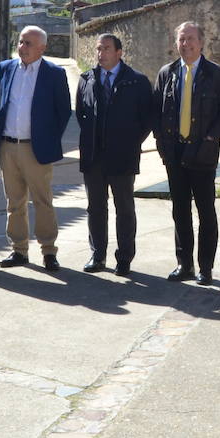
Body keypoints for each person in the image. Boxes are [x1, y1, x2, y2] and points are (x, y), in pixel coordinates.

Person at [153, 21, 220, 284]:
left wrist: (211, 137)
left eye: (190, 39)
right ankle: (184, 264)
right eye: (181, 39)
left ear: (201, 43)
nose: (185, 44)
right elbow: (156, 112)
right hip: (174, 153)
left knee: (206, 211)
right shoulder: (167, 73)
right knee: (180, 211)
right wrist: (161, 144)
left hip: (203, 153)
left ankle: (205, 268)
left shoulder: (216, 74)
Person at [0, 26, 72, 271]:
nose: (22, 47)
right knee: (14, 202)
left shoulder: (54, 73)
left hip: (35, 148)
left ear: (42, 48)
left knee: (42, 201)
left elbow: (63, 111)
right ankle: (19, 251)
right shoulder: (6, 68)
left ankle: (48, 251)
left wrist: (46, 138)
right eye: (20, 42)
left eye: (28, 43)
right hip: (8, 146)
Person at [75, 33, 154, 277]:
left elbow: (146, 119)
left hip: (122, 156)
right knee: (96, 208)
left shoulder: (137, 81)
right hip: (93, 156)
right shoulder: (86, 79)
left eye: (106, 48)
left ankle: (124, 258)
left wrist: (129, 142)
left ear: (119, 52)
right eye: (98, 49)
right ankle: (98, 255)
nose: (101, 53)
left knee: (124, 209)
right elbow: (81, 114)